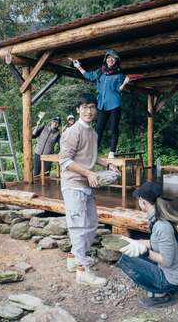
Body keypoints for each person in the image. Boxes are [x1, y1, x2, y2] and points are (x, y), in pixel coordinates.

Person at [59, 92, 120, 287]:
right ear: (78, 109)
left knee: (92, 224)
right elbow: (65, 161)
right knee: (79, 227)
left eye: (92, 107)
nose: (89, 111)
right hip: (73, 184)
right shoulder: (72, 131)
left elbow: (92, 155)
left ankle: (72, 258)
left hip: (87, 185)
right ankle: (83, 270)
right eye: (84, 107)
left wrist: (107, 164)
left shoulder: (92, 133)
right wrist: (88, 173)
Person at [117, 181, 178, 308]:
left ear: (143, 202)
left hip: (172, 279)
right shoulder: (158, 219)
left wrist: (144, 251)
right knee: (129, 249)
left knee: (128, 257)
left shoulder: (162, 226)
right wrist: (132, 242)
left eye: (139, 199)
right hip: (173, 273)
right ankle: (159, 289)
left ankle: (162, 294)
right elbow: (155, 243)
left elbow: (167, 261)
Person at [71, 49, 130, 159]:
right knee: (99, 129)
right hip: (102, 104)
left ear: (116, 60)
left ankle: (112, 152)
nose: (110, 59)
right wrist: (78, 67)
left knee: (113, 128)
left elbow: (119, 89)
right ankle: (94, 151)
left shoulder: (119, 74)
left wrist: (125, 82)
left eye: (113, 58)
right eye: (109, 57)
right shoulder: (100, 72)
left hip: (114, 103)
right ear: (106, 59)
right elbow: (89, 76)